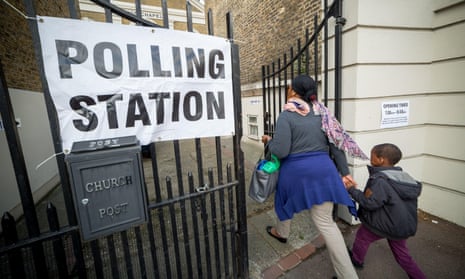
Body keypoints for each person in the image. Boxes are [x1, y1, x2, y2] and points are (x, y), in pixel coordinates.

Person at [262, 74, 368, 279]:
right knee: (326, 223)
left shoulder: (286, 115)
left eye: (289, 87)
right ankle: (349, 276)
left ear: (293, 91)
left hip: (296, 173)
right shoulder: (323, 113)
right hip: (324, 172)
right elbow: (336, 144)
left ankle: (282, 233)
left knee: (284, 201)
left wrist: (269, 142)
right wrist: (345, 173)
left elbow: (281, 151)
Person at [345, 143, 426, 279]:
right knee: (403, 256)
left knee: (362, 237)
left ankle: (357, 260)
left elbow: (370, 203)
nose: (370, 158)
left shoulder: (380, 180)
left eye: (372, 156)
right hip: (402, 226)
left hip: (383, 224)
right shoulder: (404, 177)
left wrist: (351, 190)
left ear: (381, 159)